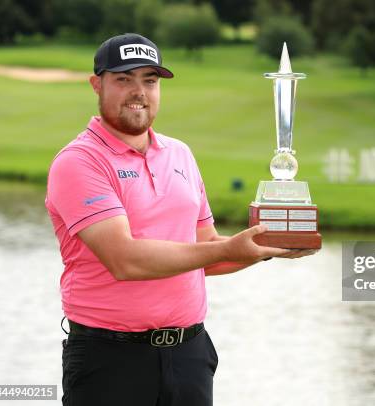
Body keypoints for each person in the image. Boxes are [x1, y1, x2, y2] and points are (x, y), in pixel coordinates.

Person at [45, 33, 316, 406]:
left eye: (149, 80)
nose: (138, 91)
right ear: (97, 84)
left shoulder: (180, 154)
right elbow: (125, 260)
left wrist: (264, 247)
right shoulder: (79, 162)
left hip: (189, 355)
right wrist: (230, 248)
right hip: (110, 359)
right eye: (124, 79)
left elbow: (207, 251)